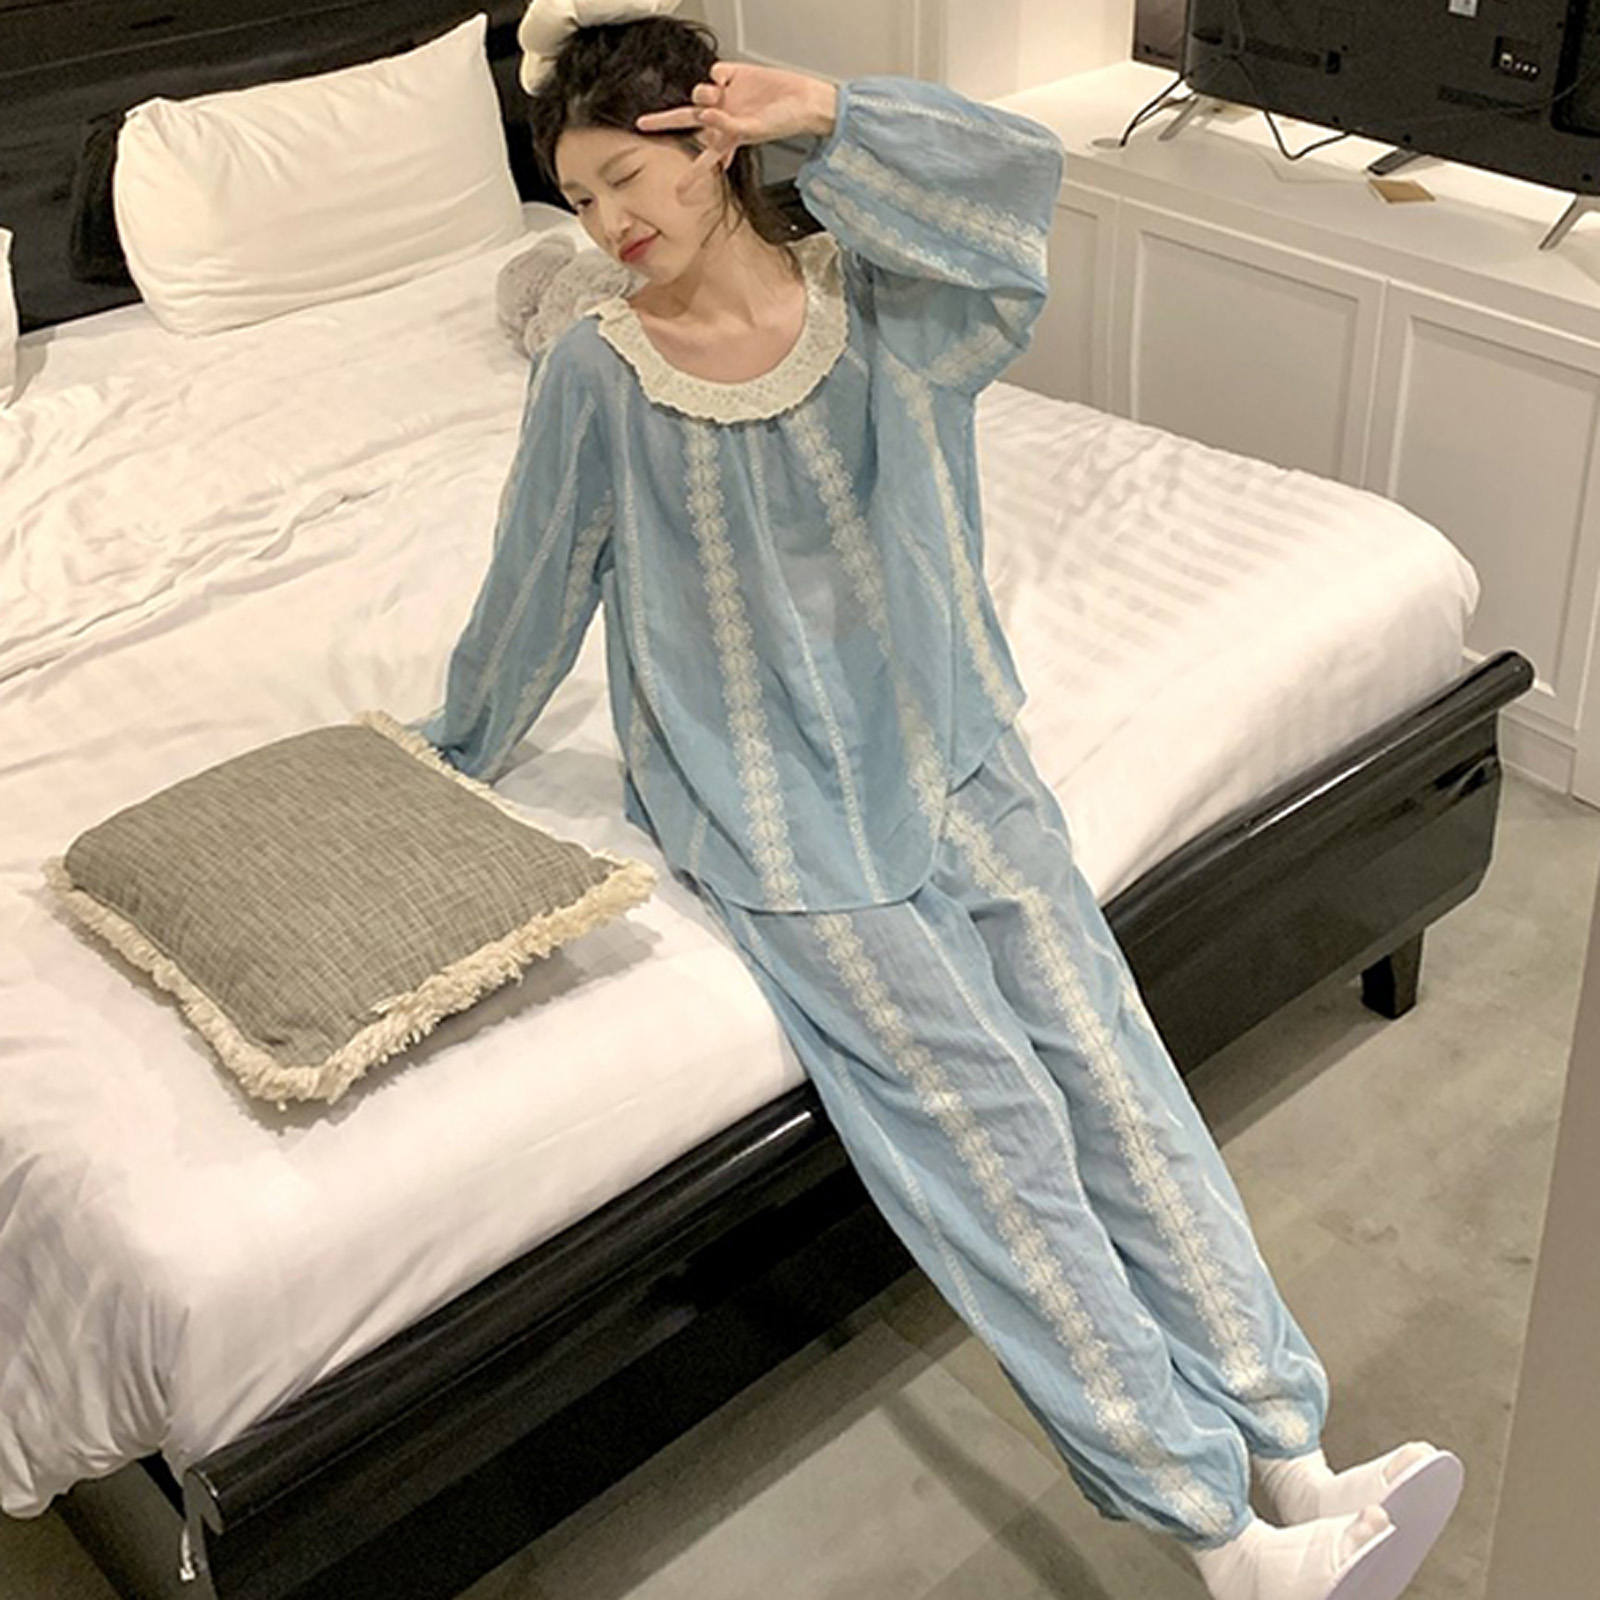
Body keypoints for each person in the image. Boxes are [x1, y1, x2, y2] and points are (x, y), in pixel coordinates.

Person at [423, 3, 1464, 1595]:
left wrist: (827, 109)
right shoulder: (594, 377)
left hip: (953, 739)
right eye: (576, 199)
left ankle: (1293, 1452)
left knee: (1110, 1071)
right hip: (772, 813)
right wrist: (449, 755)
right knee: (988, 1136)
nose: (606, 223)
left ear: (711, 145)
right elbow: (534, 586)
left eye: (625, 176)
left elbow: (1013, 185)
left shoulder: (886, 302)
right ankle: (1215, 1532)